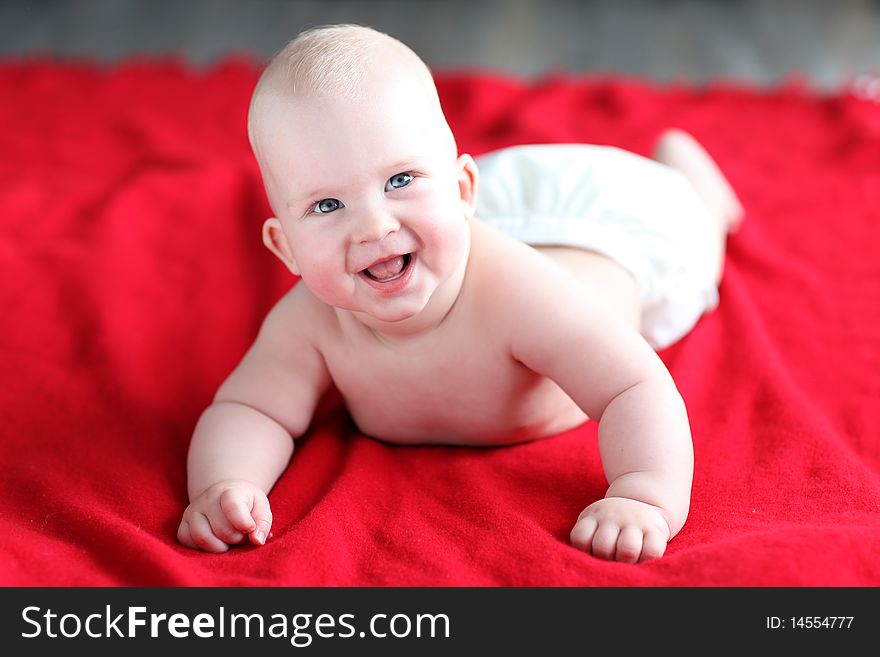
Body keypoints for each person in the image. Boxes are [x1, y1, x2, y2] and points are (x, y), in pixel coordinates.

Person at [177, 24, 744, 563]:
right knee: (430, 224)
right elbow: (250, 408)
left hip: (606, 235)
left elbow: (633, 385)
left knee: (694, 232)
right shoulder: (309, 324)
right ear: (287, 250)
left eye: (399, 179)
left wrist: (643, 493)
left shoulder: (521, 296)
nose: (373, 226)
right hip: (479, 218)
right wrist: (227, 482)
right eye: (327, 206)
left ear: (460, 188)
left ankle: (691, 176)